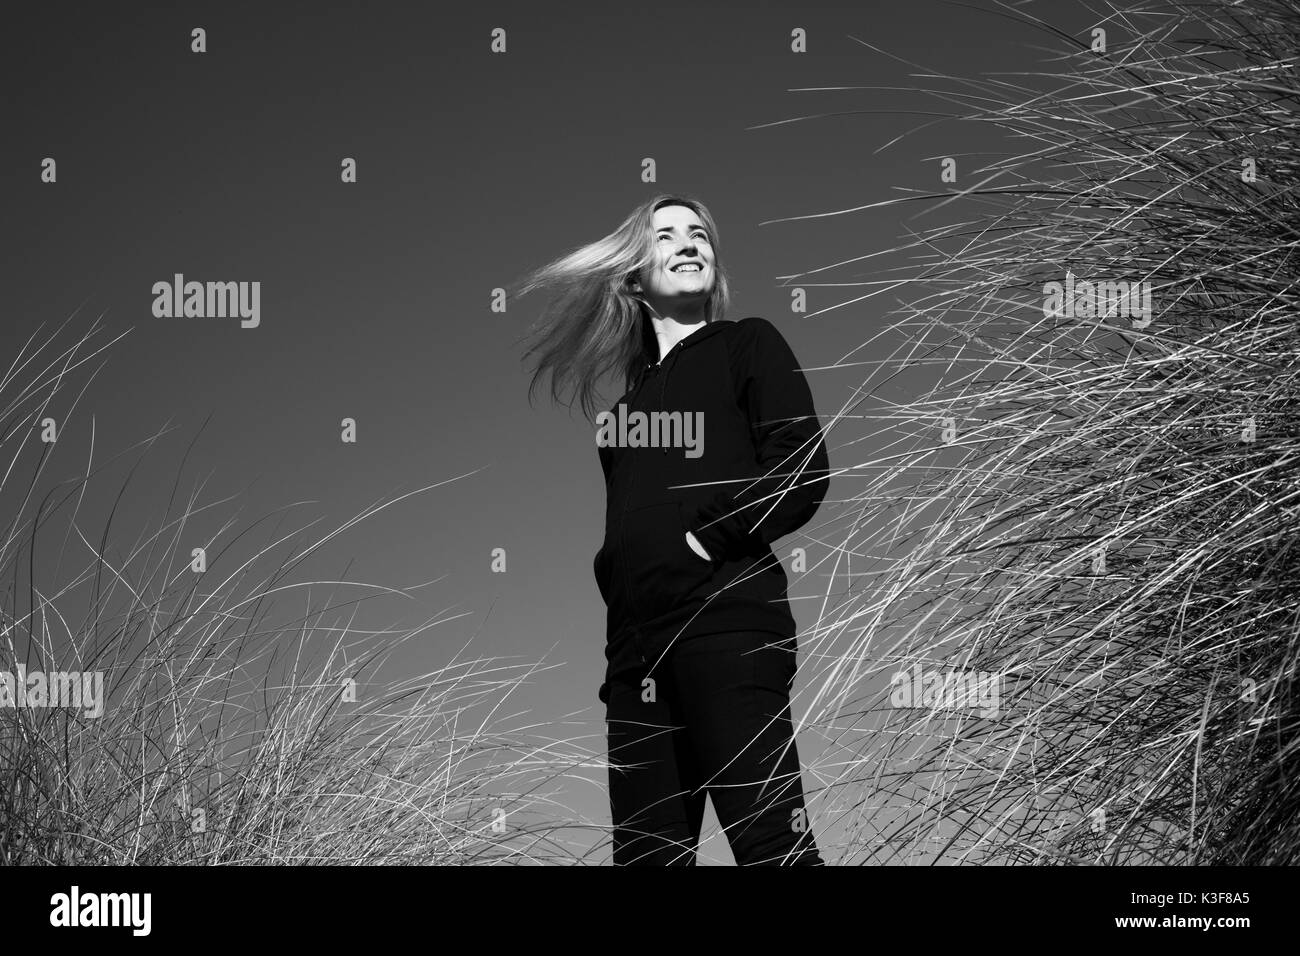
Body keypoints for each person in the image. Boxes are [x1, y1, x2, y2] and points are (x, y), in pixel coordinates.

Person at [516, 194, 831, 865]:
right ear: (634, 276)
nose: (689, 244)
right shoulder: (621, 419)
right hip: (634, 661)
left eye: (700, 236)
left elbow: (802, 469)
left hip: (725, 621)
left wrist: (706, 537)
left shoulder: (747, 343)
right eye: (666, 236)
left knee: (773, 846)